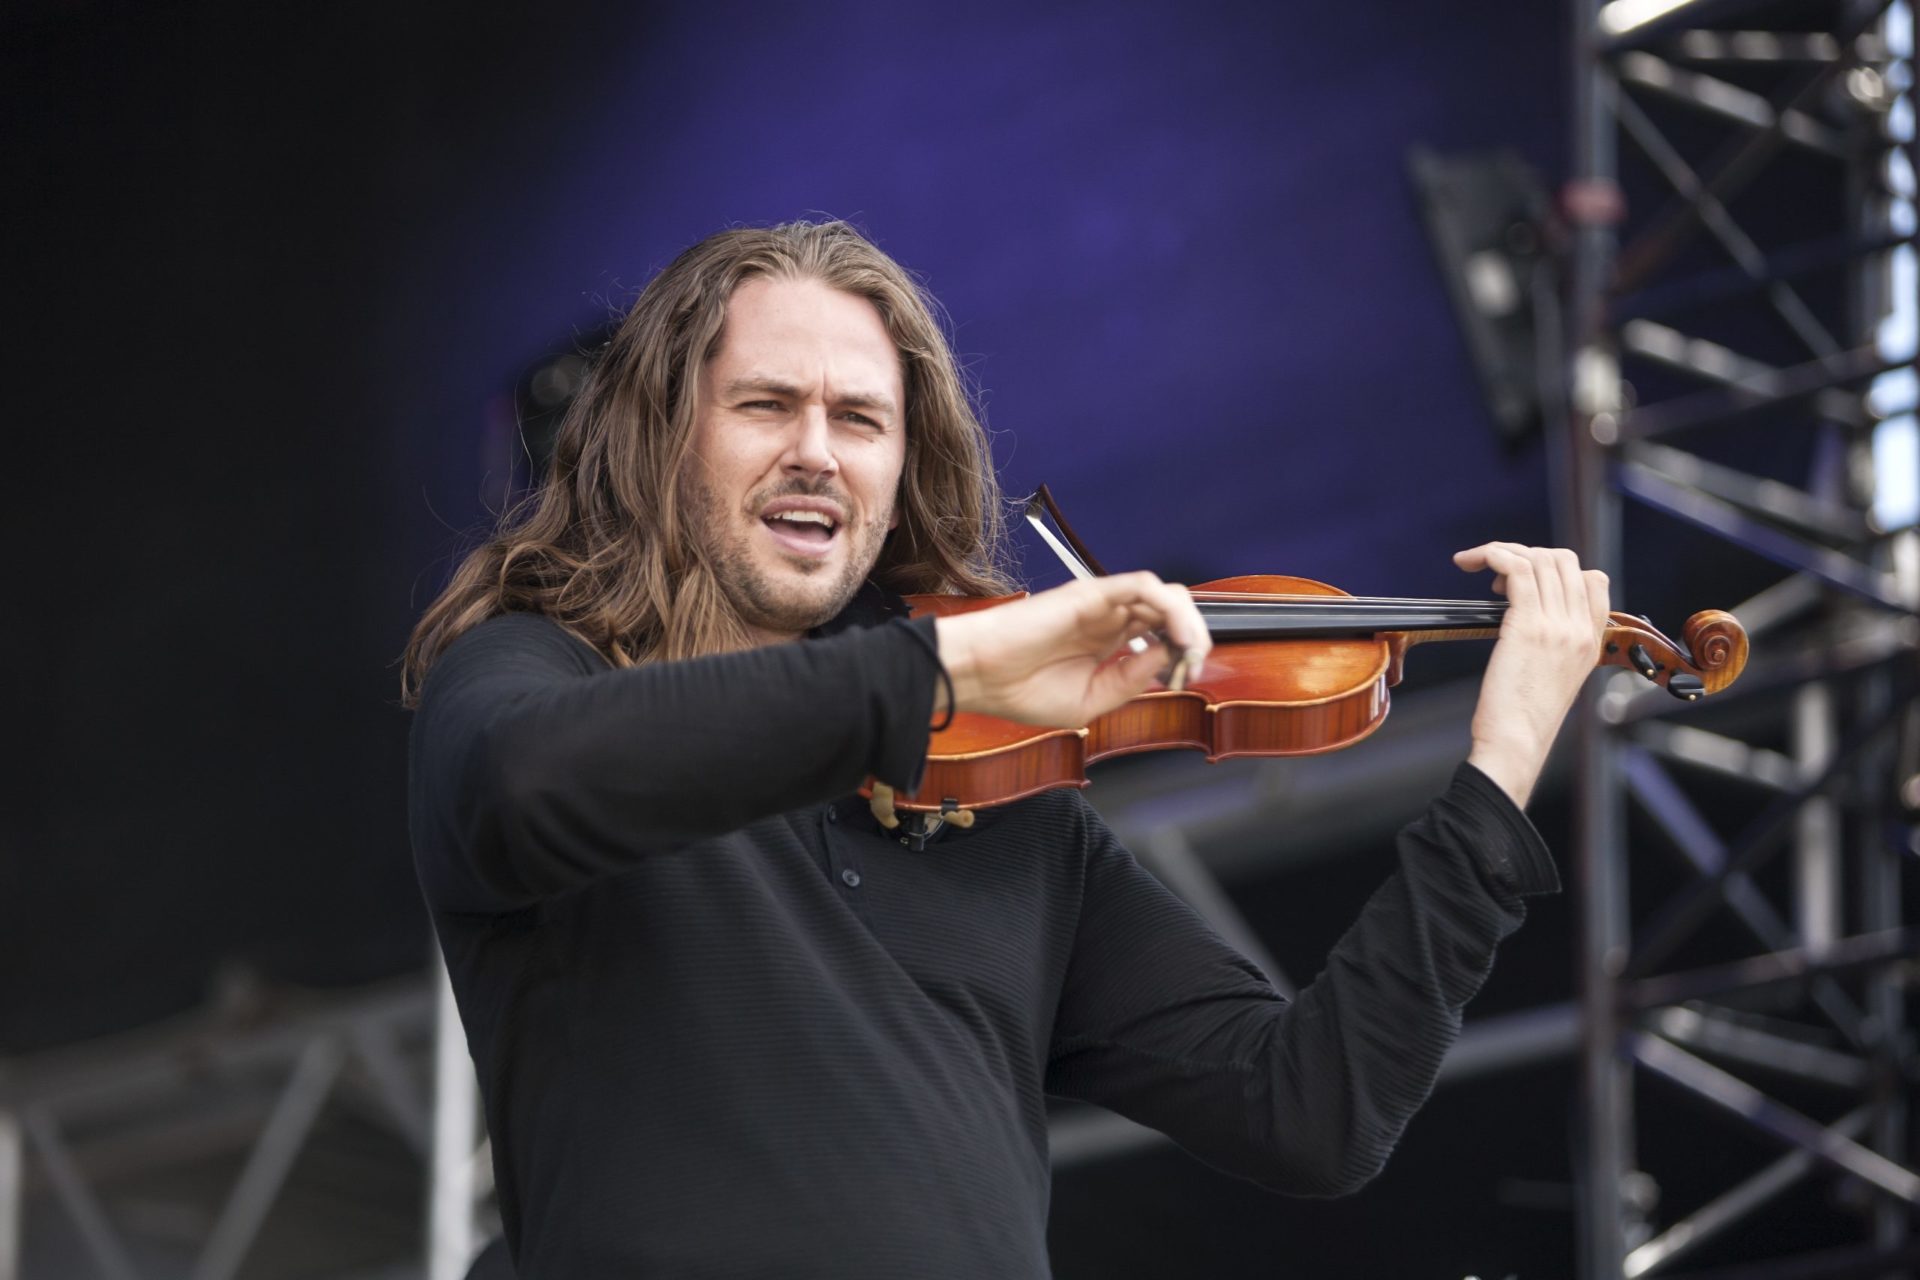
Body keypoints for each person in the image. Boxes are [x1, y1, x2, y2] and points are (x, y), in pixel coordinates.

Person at [402, 220, 1607, 1279]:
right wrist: (950, 669)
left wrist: (1497, 773)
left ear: (897, 469)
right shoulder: (533, 671)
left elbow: (1312, 1109)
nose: (819, 449)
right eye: (766, 404)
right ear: (664, 434)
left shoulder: (1002, 803)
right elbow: (519, 783)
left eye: (861, 418)